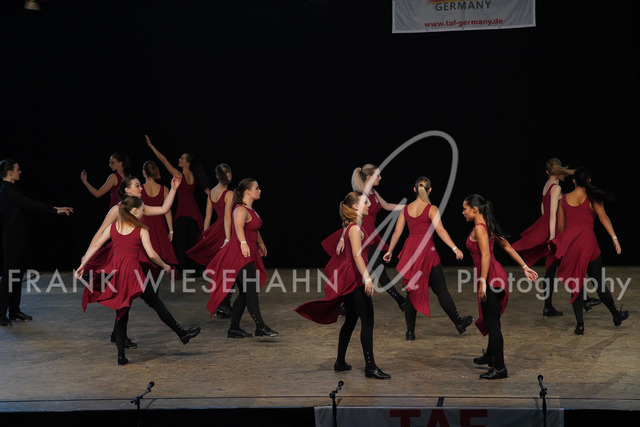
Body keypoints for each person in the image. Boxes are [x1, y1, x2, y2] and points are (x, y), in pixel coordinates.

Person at [77, 196, 199, 365]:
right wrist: (164, 265)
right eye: (142, 210)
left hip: (119, 275)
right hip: (134, 275)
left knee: (122, 313)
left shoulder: (113, 228)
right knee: (155, 303)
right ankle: (181, 333)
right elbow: (151, 254)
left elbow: (96, 246)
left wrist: (83, 265)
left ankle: (121, 356)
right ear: (134, 211)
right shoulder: (141, 230)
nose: (143, 213)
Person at [296, 192, 391, 379]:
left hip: (350, 275)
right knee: (367, 321)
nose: (369, 205)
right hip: (354, 277)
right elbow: (357, 255)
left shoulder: (351, 226)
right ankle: (370, 368)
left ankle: (340, 362)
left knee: (351, 320)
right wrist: (367, 278)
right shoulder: (354, 228)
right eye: (365, 203)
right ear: (355, 207)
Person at [83, 175, 183, 349]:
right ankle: (179, 332)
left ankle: (118, 337)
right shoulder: (117, 210)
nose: (141, 188)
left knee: (128, 300)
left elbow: (163, 209)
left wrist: (173, 189)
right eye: (137, 186)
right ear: (127, 190)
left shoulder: (140, 206)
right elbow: (100, 233)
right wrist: (87, 255)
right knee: (133, 298)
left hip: (136, 258)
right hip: (121, 259)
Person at [383, 177, 473, 340]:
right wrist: (454, 248)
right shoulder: (431, 208)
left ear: (414, 189)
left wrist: (390, 250)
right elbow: (441, 230)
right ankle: (459, 323)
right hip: (427, 252)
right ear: (430, 190)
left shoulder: (406, 209)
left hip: (412, 252)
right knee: (441, 290)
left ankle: (410, 332)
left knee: (412, 292)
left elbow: (397, 232)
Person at [462, 194, 538, 380]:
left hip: (491, 277)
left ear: (474, 209)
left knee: (492, 323)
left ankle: (500, 368)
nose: (463, 212)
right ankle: (491, 355)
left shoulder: (480, 228)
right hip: (493, 275)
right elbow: (507, 246)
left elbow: (486, 256)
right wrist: (525, 267)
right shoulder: (486, 226)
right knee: (492, 319)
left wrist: (482, 281)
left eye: (465, 209)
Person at [551, 167, 628, 335]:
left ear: (573, 181)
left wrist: (562, 244)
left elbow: (561, 226)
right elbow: (603, 217)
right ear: (589, 180)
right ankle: (616, 315)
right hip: (588, 244)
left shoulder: (564, 199)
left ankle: (580, 325)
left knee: (576, 285)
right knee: (599, 283)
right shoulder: (593, 198)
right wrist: (614, 238)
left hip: (571, 245)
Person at [0, 159, 73, 326]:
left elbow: (28, 203)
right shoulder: (8, 192)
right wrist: (56, 210)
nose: (20, 172)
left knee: (17, 275)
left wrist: (56, 208)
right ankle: (1, 314)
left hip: (19, 237)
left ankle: (14, 310)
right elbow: (31, 204)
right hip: (12, 238)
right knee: (9, 276)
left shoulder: (12, 190)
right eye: (17, 169)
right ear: (10, 173)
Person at [204, 178, 277, 338]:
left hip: (247, 253)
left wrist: (261, 243)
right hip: (238, 254)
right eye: (257, 188)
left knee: (245, 292)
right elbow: (238, 226)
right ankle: (260, 326)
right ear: (248, 192)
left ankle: (234, 329)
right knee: (251, 289)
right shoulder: (240, 210)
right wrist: (243, 243)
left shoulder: (250, 210)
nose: (260, 190)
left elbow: (254, 228)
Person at [511, 158, 575, 317]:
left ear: (547, 172)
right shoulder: (556, 188)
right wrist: (552, 235)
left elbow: (543, 207)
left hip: (550, 227)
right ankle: (581, 299)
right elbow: (553, 212)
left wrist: (545, 225)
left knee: (553, 268)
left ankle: (549, 306)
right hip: (555, 232)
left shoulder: (547, 186)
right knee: (569, 264)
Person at [337, 164, 405, 311]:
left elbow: (387, 205)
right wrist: (342, 239)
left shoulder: (374, 193)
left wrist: (408, 207)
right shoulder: (359, 196)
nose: (380, 178)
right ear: (369, 177)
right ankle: (401, 301)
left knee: (365, 271)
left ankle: (344, 306)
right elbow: (349, 218)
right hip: (361, 237)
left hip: (370, 236)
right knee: (376, 270)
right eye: (377, 175)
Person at [145, 134, 210, 274]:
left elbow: (163, 160)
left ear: (187, 163)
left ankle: (182, 269)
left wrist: (152, 146)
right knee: (192, 241)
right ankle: (198, 268)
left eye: (182, 158)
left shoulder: (179, 175)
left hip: (183, 211)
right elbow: (210, 193)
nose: (179, 159)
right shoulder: (195, 176)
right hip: (193, 211)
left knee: (181, 242)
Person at [187, 163, 234, 318]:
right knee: (229, 269)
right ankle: (224, 305)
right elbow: (227, 218)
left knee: (221, 270)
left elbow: (207, 216)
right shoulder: (229, 194)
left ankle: (221, 304)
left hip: (215, 231)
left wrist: (205, 235)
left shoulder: (211, 192)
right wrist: (227, 237)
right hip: (225, 231)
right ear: (228, 175)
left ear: (216, 176)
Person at [141, 160, 178, 267]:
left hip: (145, 224)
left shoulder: (139, 189)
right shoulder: (164, 189)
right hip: (159, 225)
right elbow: (167, 211)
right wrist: (171, 231)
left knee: (146, 252)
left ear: (144, 172)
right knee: (159, 252)